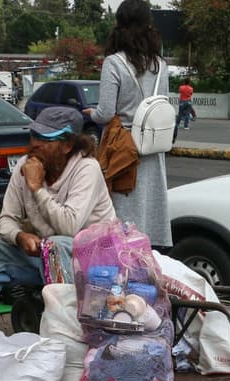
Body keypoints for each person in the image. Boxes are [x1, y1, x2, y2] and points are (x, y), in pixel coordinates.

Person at [0, 107, 116, 360]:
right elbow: (5, 219)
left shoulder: (87, 168)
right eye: (34, 137)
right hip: (44, 252)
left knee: (55, 243)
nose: (35, 145)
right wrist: (19, 237)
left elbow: (70, 228)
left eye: (45, 140)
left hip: (91, 262)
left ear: (66, 145)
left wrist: (36, 187)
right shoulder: (25, 165)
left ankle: (63, 328)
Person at [84, 0, 170, 250]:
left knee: (123, 211)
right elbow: (161, 102)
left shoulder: (114, 63)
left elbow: (106, 112)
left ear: (119, 26)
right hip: (153, 148)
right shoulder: (159, 64)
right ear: (148, 26)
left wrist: (91, 113)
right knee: (149, 213)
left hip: (124, 148)